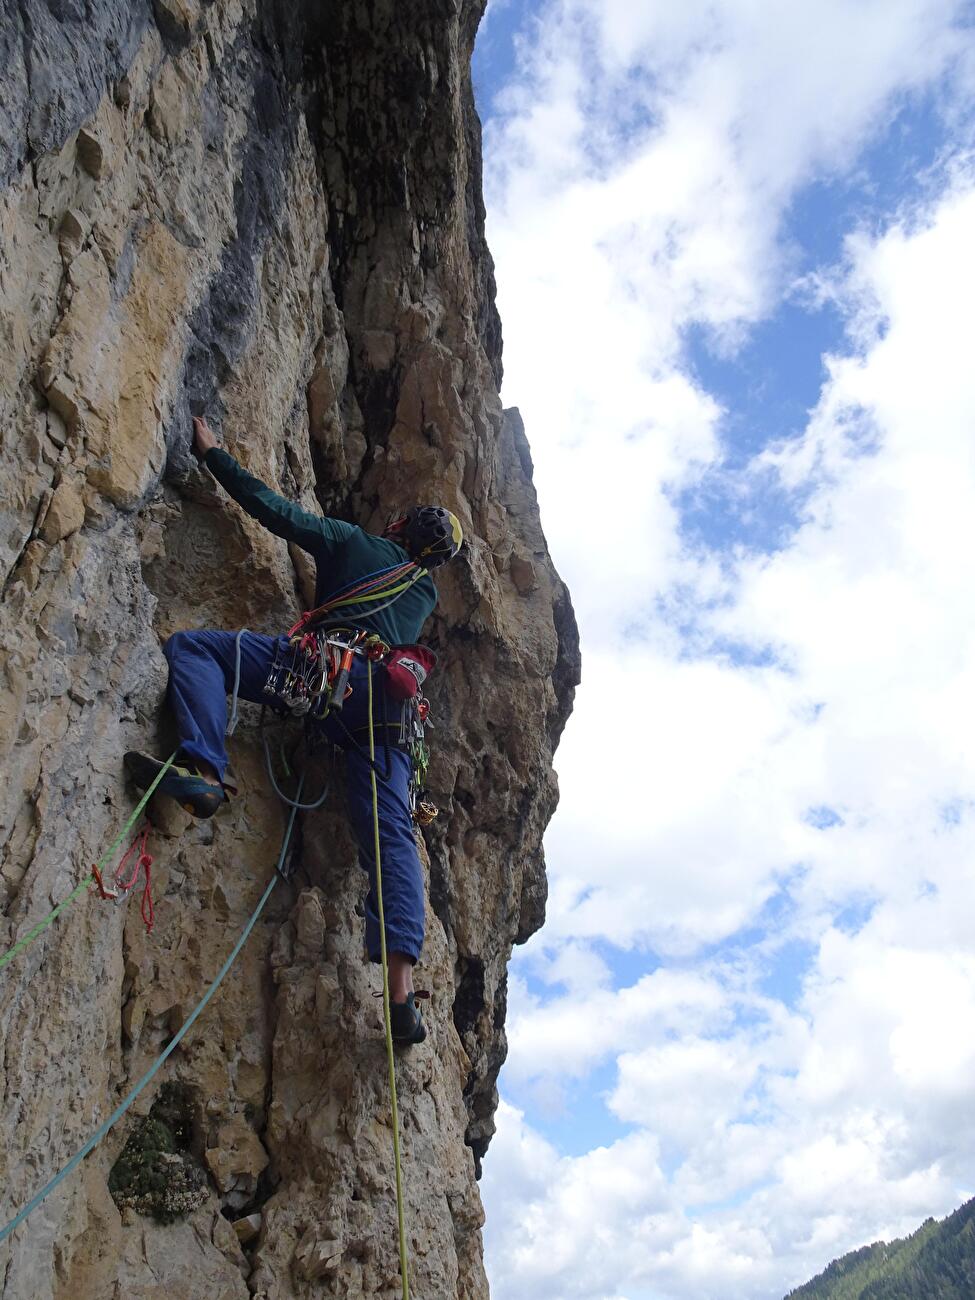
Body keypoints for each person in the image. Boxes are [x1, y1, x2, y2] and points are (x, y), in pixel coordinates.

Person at [125, 417, 462, 1044]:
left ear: (399, 529)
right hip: (384, 722)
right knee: (393, 845)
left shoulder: (353, 543)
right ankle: (401, 998)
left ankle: (203, 769)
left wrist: (215, 454)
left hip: (319, 679)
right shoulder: (423, 601)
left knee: (196, 651)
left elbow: (275, 511)